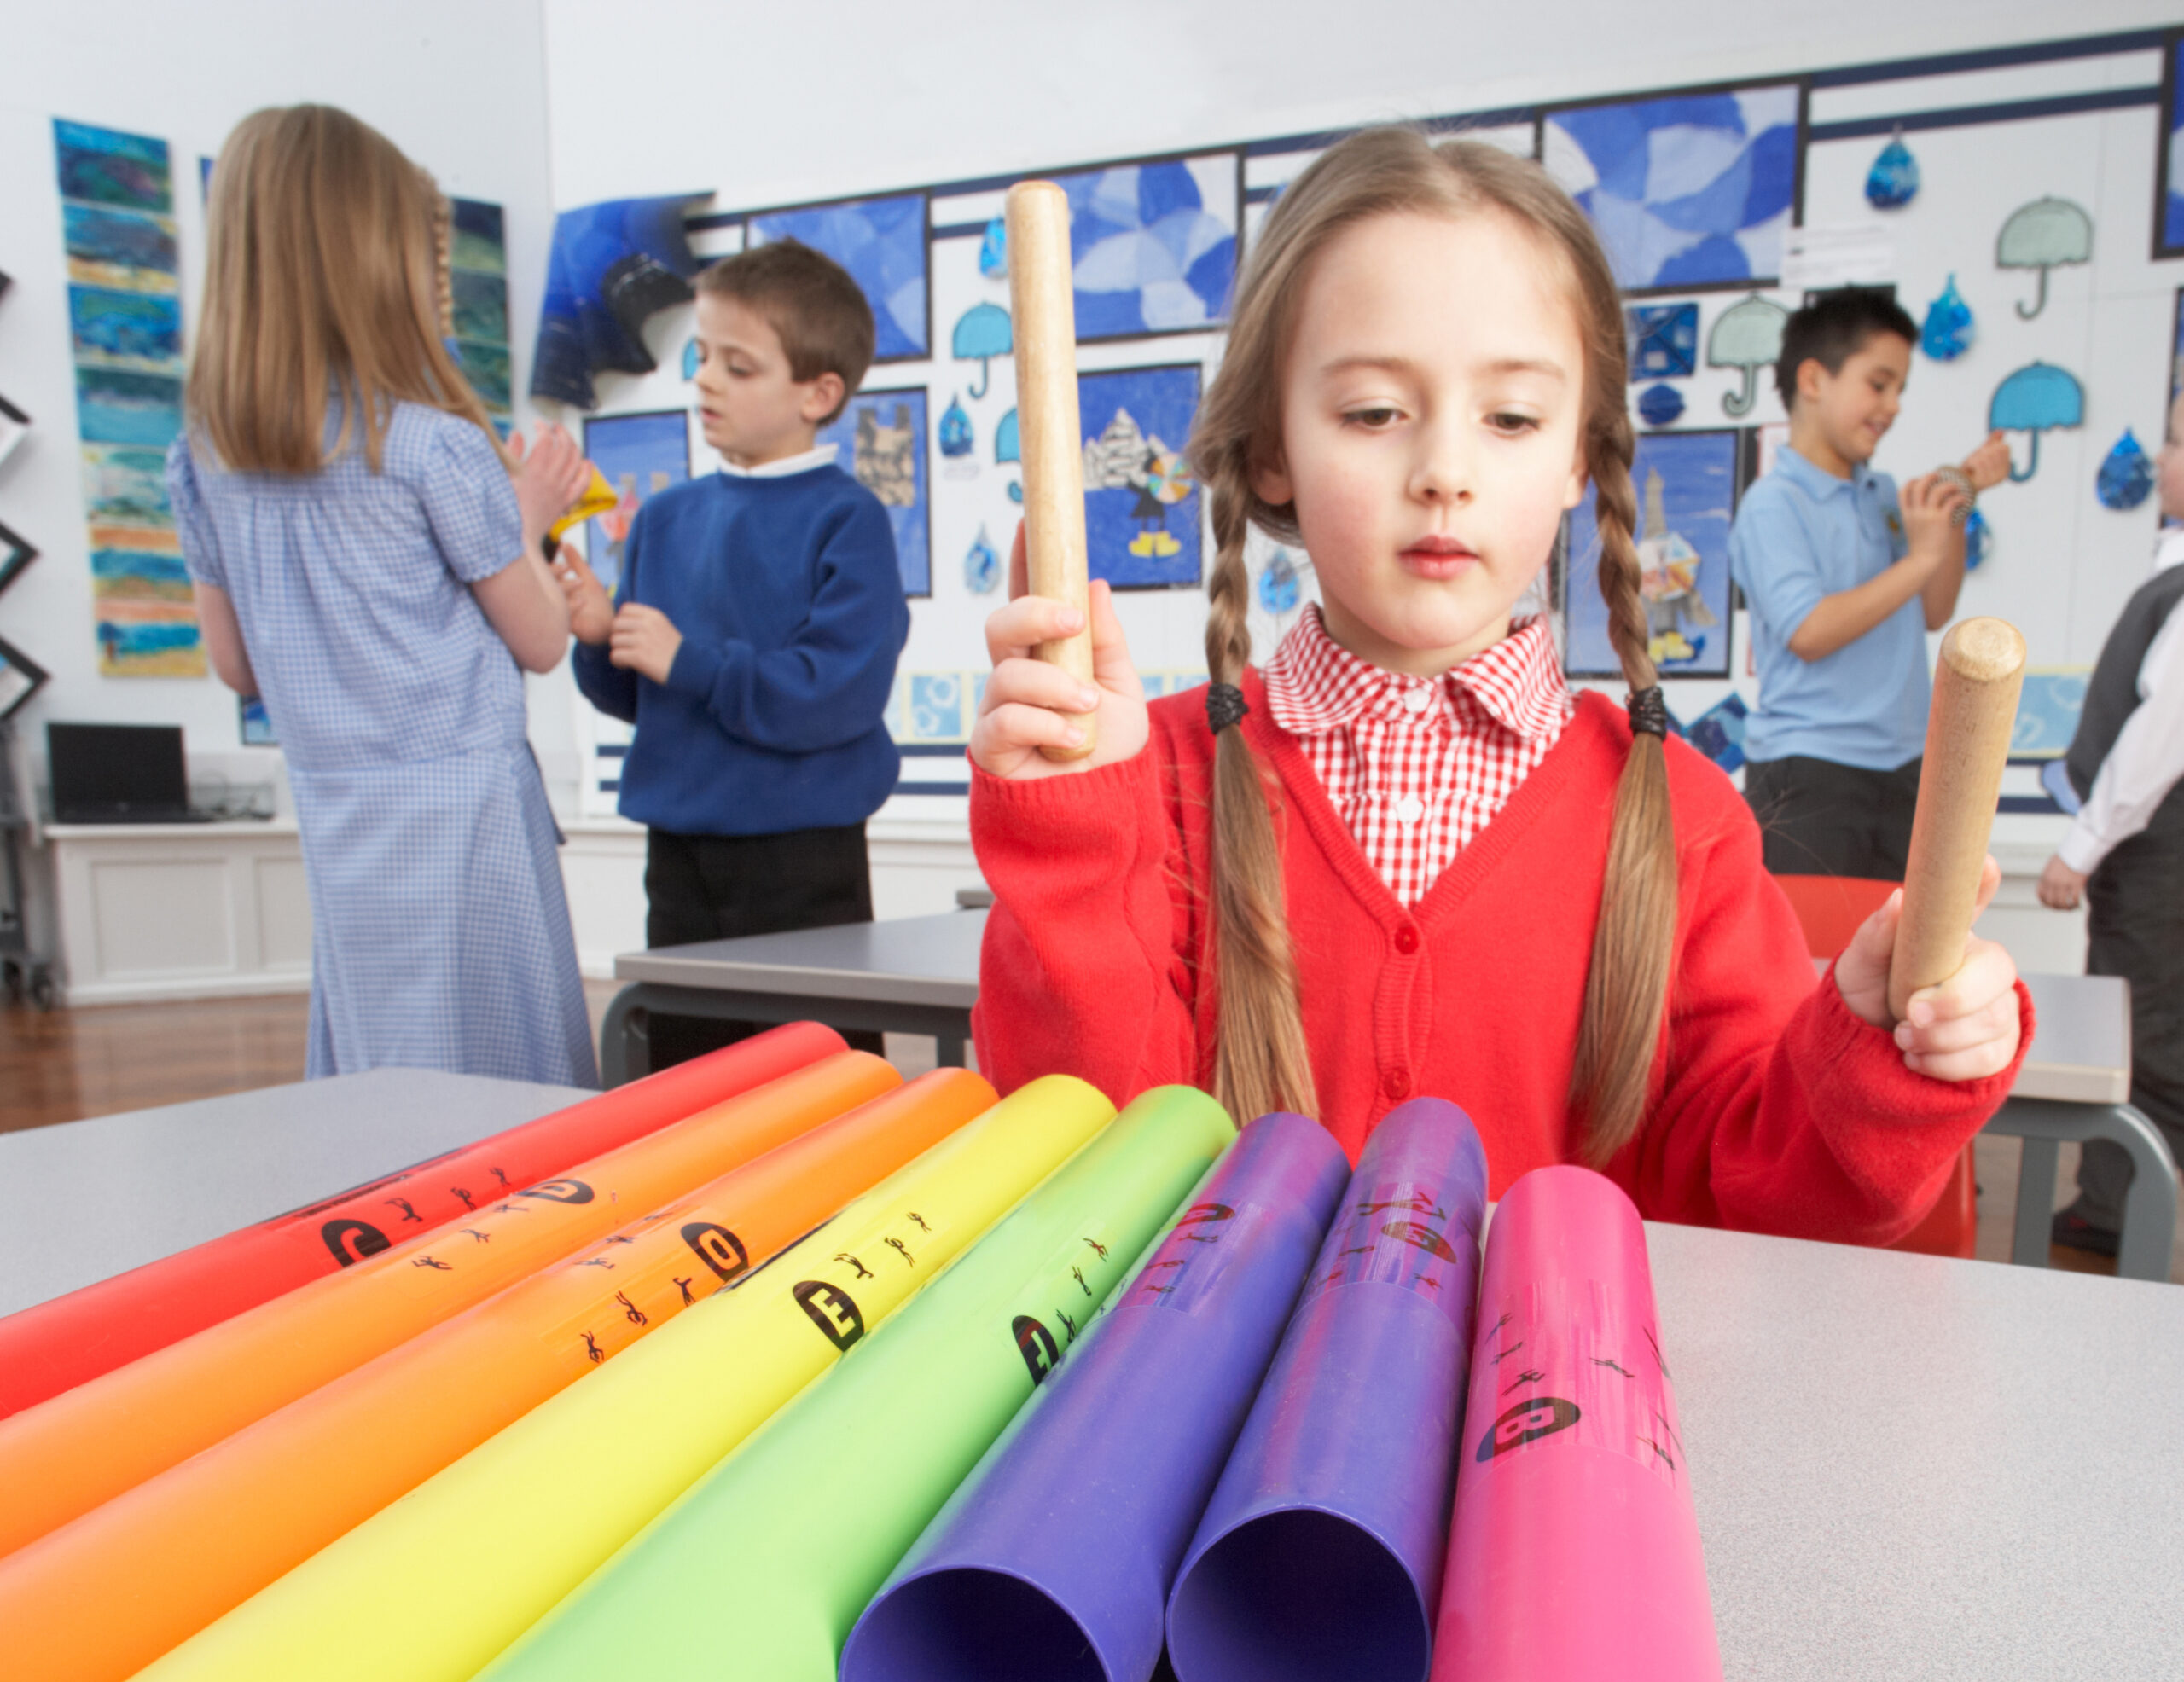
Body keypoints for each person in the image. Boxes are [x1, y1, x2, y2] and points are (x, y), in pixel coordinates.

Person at [967, 130, 2029, 1238]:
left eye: (1512, 418)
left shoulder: (1679, 820)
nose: (1444, 472)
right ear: (1272, 446)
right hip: (1235, 1411)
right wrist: (1078, 839)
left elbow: (1759, 1200)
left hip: (1558, 1410)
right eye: (1374, 412)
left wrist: (1871, 1051)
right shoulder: (1156, 782)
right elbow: (1090, 1172)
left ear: (1580, 456)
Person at [171, 106, 597, 1089]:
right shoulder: (428, 445)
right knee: (504, 1079)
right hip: (468, 814)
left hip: (337, 808)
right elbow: (538, 639)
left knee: (382, 1065)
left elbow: (236, 666)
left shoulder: (201, 458)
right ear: (379, 257)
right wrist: (526, 512)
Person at [561, 240, 909, 1066]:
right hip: (678, 847)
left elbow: (838, 693)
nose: (706, 380)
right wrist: (599, 640)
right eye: (703, 357)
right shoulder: (663, 518)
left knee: (814, 1069)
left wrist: (692, 661)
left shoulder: (847, 519)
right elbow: (640, 699)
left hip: (801, 850)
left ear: (818, 394)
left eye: (739, 367)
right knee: (686, 1065)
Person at [1729, 290, 2012, 879]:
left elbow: (1933, 610)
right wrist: (1920, 556)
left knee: (1897, 965)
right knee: (1812, 965)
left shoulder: (1883, 495)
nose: (1893, 405)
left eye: (1900, 389)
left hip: (1906, 771)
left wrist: (1955, 509)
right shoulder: (1772, 505)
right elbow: (1809, 632)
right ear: (1814, 379)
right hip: (1810, 775)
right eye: (1878, 384)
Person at [2035, 392, 2184, 1258]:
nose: (2163, 459)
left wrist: (2079, 846)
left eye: (2172, 443)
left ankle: (2124, 1211)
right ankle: (2112, 1198)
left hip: (2153, 850)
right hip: (2150, 851)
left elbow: (2158, 737)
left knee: (2146, 1024)